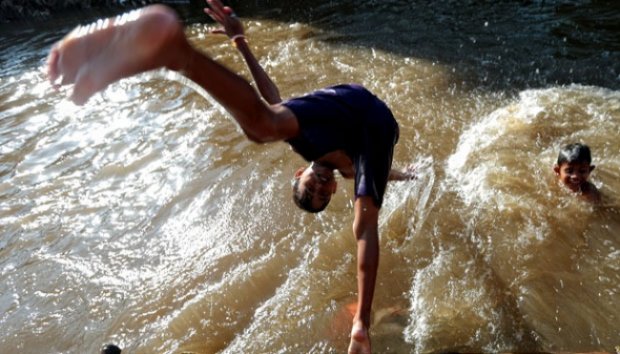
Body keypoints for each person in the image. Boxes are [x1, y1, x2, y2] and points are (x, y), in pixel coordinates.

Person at [46, 1, 415, 352]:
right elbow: (374, 205)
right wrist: (405, 176)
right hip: (370, 122)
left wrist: (240, 42)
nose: (318, 186)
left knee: (263, 126)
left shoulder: (310, 148)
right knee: (348, 201)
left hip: (353, 109)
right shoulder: (350, 169)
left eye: (311, 188)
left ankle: (175, 54)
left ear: (300, 174)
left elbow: (270, 98)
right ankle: (172, 52)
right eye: (321, 191)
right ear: (330, 186)